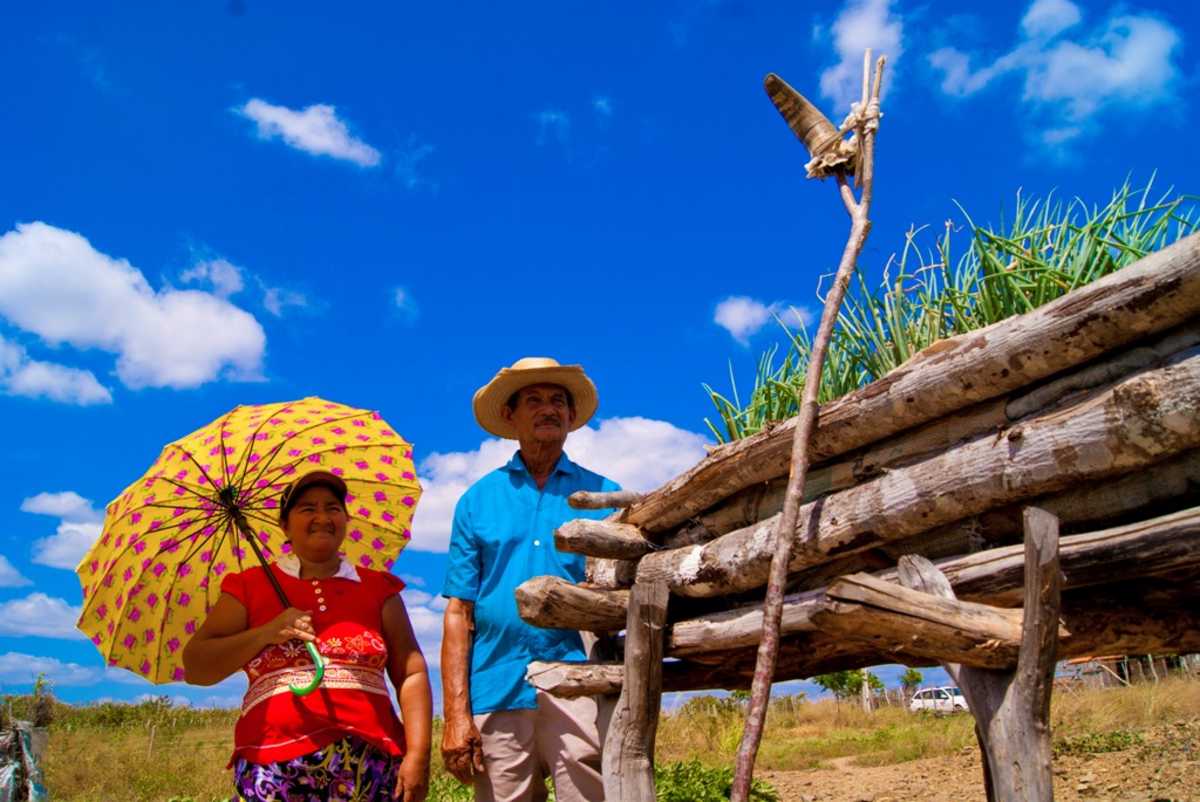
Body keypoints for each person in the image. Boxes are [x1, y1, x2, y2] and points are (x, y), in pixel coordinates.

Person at [183, 469, 432, 802]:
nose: (322, 517)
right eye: (307, 508)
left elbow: (411, 672)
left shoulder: (379, 589)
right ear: (284, 526)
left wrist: (418, 754)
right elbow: (197, 666)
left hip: (369, 762)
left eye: (333, 507)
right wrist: (267, 633)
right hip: (271, 763)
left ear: (346, 519)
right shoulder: (248, 587)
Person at [441, 357, 620, 802]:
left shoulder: (603, 496)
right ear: (510, 415)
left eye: (558, 401)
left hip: (582, 682)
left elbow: (622, 597)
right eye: (534, 400)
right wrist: (455, 716)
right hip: (497, 685)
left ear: (572, 416)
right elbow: (459, 611)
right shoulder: (476, 501)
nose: (549, 409)